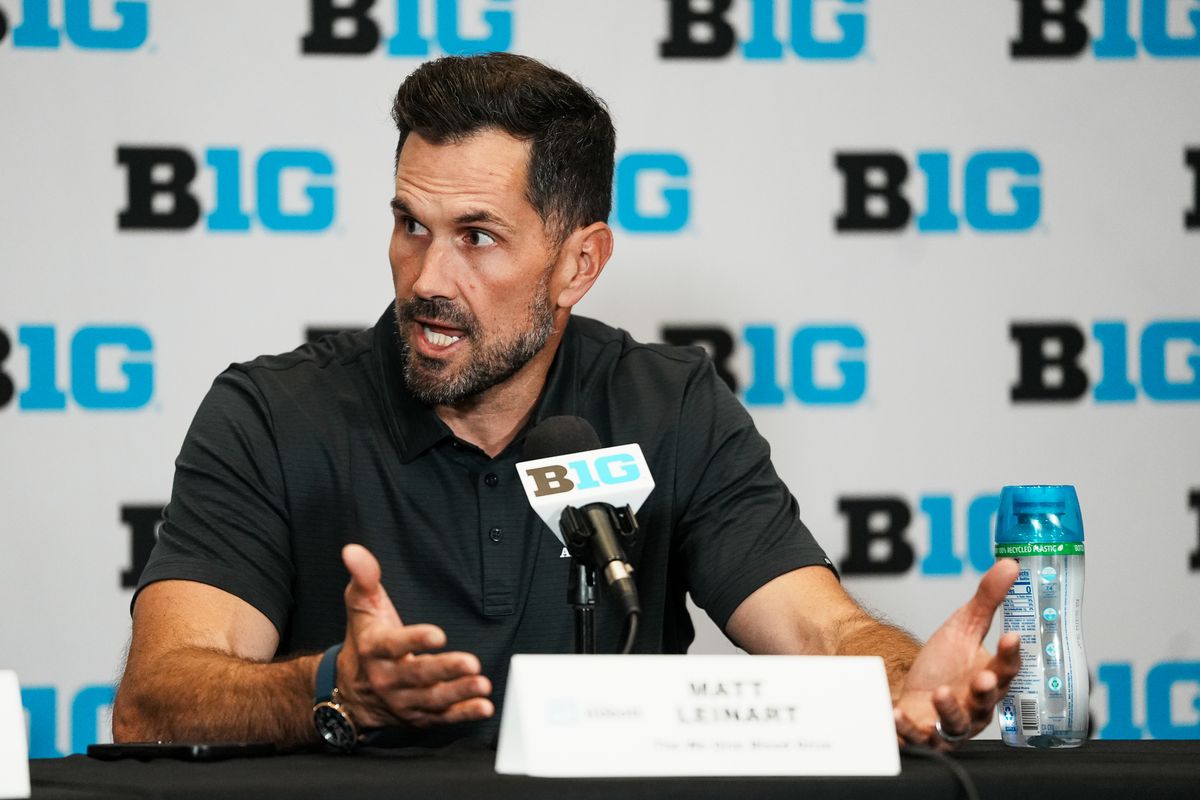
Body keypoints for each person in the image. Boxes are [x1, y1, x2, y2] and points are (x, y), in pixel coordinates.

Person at [112, 53, 1019, 753]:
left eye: (477, 237)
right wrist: (331, 689)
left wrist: (906, 682)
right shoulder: (272, 414)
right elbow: (152, 700)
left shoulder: (671, 407)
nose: (427, 277)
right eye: (410, 226)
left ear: (579, 263)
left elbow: (822, 631)